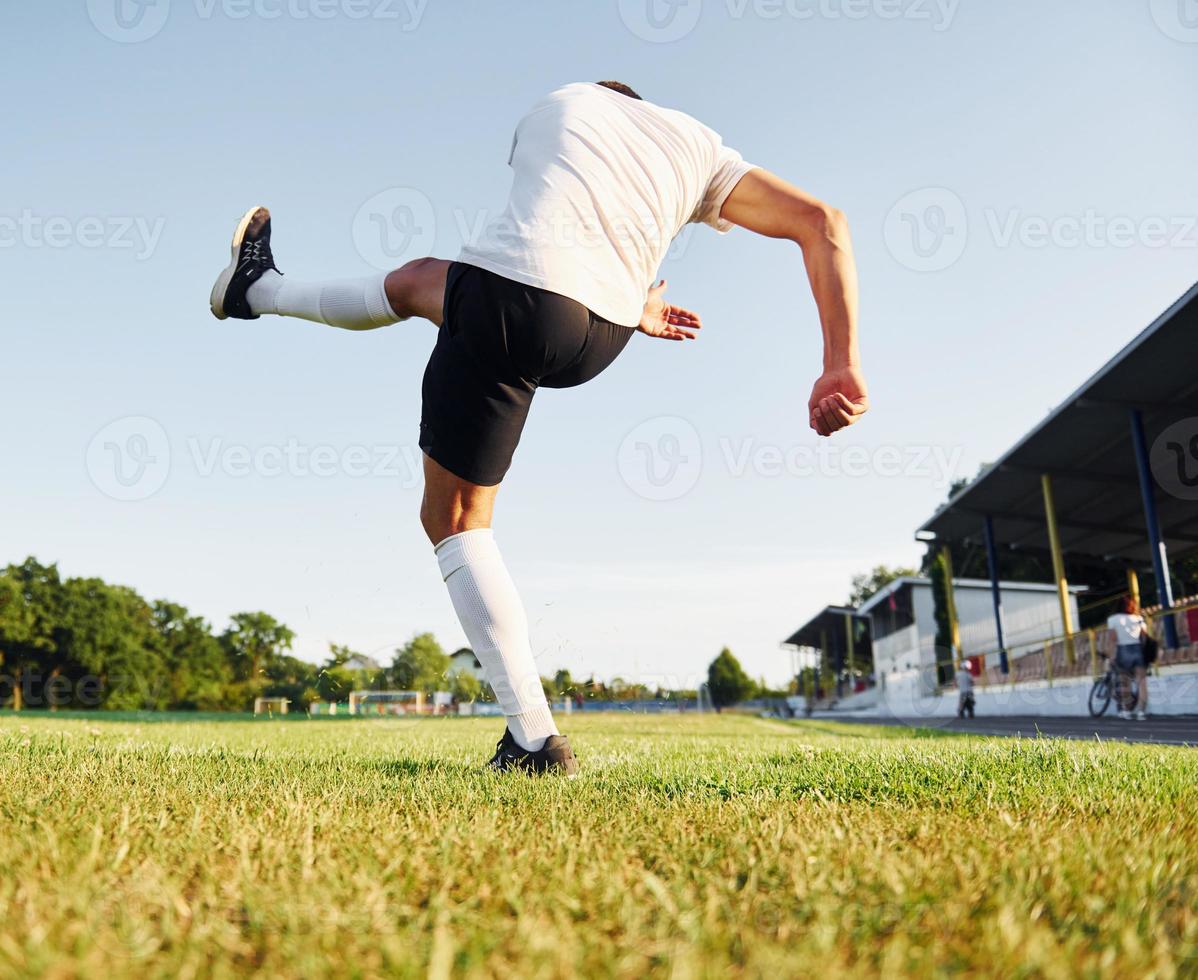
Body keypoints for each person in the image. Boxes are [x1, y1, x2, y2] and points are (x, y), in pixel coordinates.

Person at [210, 81, 868, 774]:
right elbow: (824, 222)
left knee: (456, 519)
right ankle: (255, 289)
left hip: (516, 299)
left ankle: (533, 740)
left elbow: (567, 205)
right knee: (416, 281)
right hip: (602, 334)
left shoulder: (561, 101)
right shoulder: (697, 143)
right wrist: (840, 364)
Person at [1107, 595, 1149, 720]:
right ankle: (1141, 711)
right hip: (1137, 650)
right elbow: (1145, 637)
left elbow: (1113, 639)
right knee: (1142, 683)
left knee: (1124, 682)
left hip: (1123, 650)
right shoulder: (1138, 618)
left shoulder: (1113, 619)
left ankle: (1126, 711)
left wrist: (1111, 657)